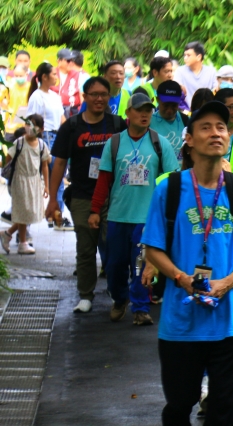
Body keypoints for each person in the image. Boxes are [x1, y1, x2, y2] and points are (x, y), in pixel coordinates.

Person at [142, 100, 233, 426]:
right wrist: (181, 278)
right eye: (206, 127)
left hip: (231, 322)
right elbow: (153, 248)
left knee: (224, 413)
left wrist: (227, 282)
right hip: (181, 323)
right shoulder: (168, 190)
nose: (216, 133)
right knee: (179, 407)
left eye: (221, 127)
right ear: (190, 140)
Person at [88, 93, 179, 325]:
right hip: (118, 216)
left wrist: (169, 215)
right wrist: (95, 210)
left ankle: (140, 308)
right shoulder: (115, 142)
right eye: (139, 110)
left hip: (147, 219)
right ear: (128, 113)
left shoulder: (160, 143)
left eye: (148, 110)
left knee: (141, 266)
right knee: (114, 265)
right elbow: (104, 179)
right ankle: (120, 299)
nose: (144, 114)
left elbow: (172, 180)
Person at [46, 77, 128, 314]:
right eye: (95, 94)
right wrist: (53, 199)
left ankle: (117, 291)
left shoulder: (117, 124)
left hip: (114, 196)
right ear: (85, 97)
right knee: (85, 247)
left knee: (113, 245)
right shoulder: (71, 127)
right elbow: (59, 163)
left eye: (104, 94)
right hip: (82, 195)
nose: (100, 99)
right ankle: (85, 295)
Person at [27, 62, 69, 227]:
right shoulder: (37, 97)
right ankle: (51, 216)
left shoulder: (55, 96)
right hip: (45, 137)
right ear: (44, 77)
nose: (56, 77)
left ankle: (56, 215)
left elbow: (62, 118)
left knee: (58, 177)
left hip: (57, 137)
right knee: (49, 177)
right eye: (53, 74)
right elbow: (31, 122)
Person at [0, 114, 50, 255]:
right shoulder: (19, 143)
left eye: (34, 125)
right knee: (24, 211)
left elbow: (45, 165)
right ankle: (22, 242)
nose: (30, 127)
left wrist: (46, 185)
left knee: (32, 211)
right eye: (28, 124)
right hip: (19, 181)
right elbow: (6, 160)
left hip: (34, 181)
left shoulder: (42, 145)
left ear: (41, 129)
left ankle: (7, 234)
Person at [150, 80, 189, 159]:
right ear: (157, 100)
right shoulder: (148, 122)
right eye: (166, 105)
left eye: (174, 105)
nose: (169, 110)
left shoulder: (186, 121)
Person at [174, 41, 217, 109]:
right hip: (186, 111)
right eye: (184, 55)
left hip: (207, 110)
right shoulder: (180, 71)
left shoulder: (211, 71)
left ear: (199, 57)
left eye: (188, 55)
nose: (185, 58)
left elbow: (215, 90)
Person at [52, 48, 81, 117]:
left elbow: (82, 95)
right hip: (54, 112)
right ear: (59, 61)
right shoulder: (51, 73)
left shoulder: (78, 75)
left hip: (73, 112)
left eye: (72, 60)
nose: (71, 63)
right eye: (68, 60)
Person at [4, 65, 31, 136]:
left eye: (20, 76)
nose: (18, 78)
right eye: (16, 76)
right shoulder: (10, 87)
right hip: (11, 126)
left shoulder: (31, 88)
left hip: (25, 125)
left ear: (26, 74)